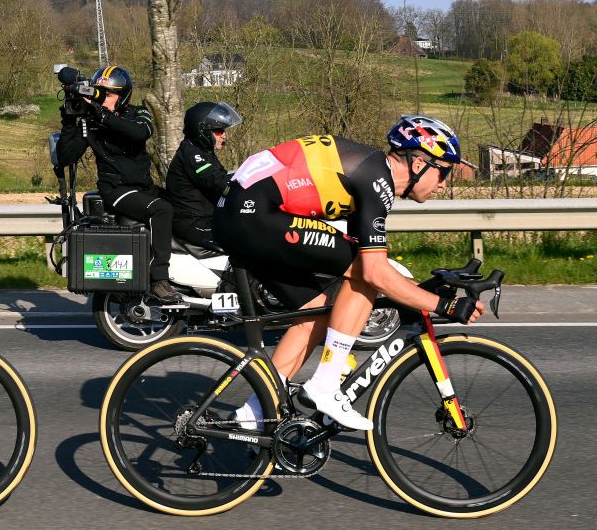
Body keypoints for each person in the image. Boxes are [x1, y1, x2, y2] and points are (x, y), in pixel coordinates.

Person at [213, 115, 484, 431]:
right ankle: (325, 385)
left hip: (240, 214)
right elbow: (374, 271)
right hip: (253, 214)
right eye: (444, 171)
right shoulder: (375, 178)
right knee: (364, 269)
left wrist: (420, 291)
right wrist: (443, 306)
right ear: (419, 162)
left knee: (313, 315)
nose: (444, 182)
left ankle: (251, 415)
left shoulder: (369, 172)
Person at [55, 65, 181, 303]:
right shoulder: (92, 122)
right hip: (117, 190)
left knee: (182, 206)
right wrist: (70, 123)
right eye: (100, 93)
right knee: (161, 209)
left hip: (142, 187)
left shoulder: (137, 113)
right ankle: (159, 280)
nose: (104, 98)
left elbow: (140, 132)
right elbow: (66, 157)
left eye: (109, 94)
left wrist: (104, 116)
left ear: (122, 95)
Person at [164, 101, 243, 248]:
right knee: (246, 237)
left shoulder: (202, 151)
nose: (224, 136)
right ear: (202, 130)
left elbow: (225, 177)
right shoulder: (193, 155)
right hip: (193, 223)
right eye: (219, 131)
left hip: (206, 217)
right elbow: (220, 182)